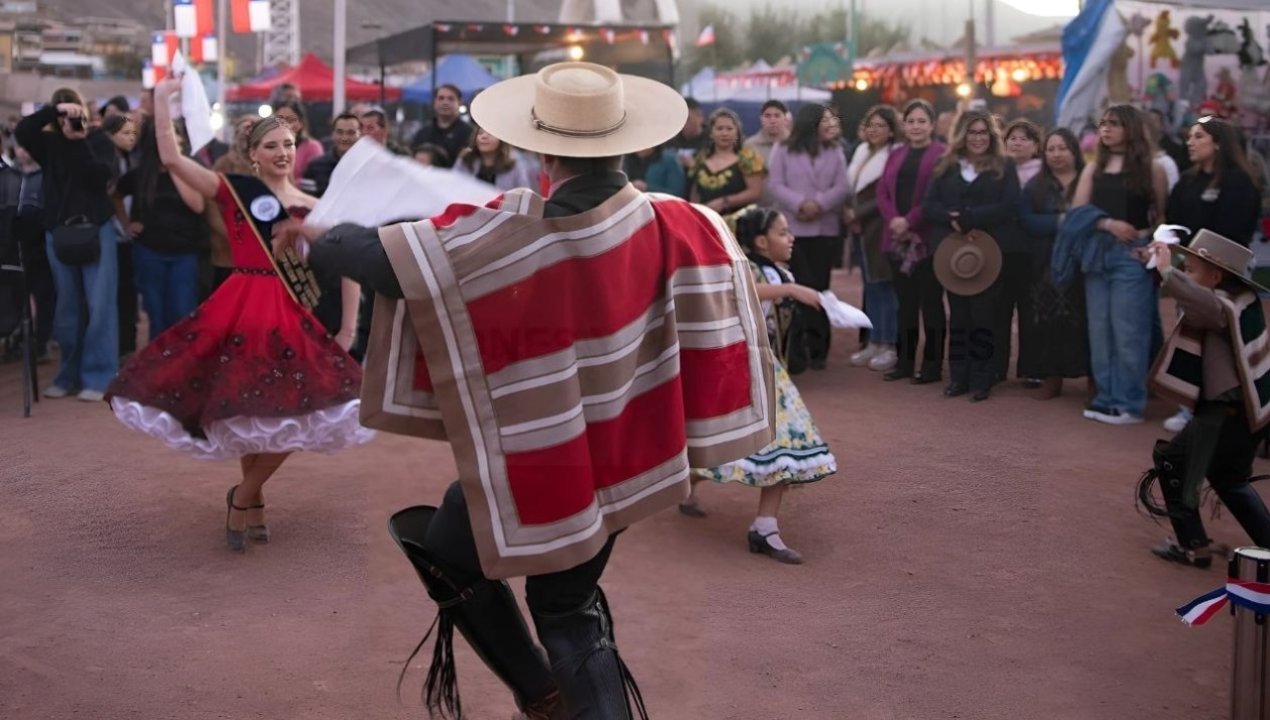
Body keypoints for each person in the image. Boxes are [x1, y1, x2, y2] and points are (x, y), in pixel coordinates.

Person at [284, 61, 774, 719]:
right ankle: (545, 694)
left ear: (539, 148)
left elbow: (385, 265)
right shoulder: (688, 223)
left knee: (538, 595)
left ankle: (544, 694)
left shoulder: (513, 233)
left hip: (544, 447)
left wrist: (319, 233)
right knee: (530, 580)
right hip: (633, 448)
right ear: (626, 142)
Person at [105, 76, 373, 554]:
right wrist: (164, 104)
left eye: (289, 143)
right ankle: (255, 501)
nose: (283, 152)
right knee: (250, 407)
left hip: (291, 318)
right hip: (240, 307)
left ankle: (244, 493)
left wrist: (350, 326)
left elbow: (348, 269)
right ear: (252, 154)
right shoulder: (234, 191)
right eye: (271, 145)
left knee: (296, 412)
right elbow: (170, 159)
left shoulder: (314, 205)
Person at [682, 207, 836, 564]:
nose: (791, 238)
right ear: (761, 241)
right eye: (783, 232)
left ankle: (758, 520)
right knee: (783, 441)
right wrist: (792, 289)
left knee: (771, 443)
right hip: (746, 368)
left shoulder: (776, 270)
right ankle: (760, 524)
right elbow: (748, 289)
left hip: (768, 370)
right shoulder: (746, 268)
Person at [1138, 230, 1270, 568]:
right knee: (1227, 479)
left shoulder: (1222, 305)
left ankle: (1192, 546)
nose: (1186, 275)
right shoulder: (1238, 300)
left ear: (1215, 275)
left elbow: (1201, 304)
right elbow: (1196, 299)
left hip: (1226, 411)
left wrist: (1167, 271)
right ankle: (1194, 544)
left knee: (1175, 464)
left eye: (1192, 269)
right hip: (1237, 410)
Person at [1158, 115, 1262, 434]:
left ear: (1218, 143)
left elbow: (1235, 230)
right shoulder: (1187, 181)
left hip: (1225, 278)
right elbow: (1172, 220)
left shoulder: (1240, 182)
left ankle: (1229, 405)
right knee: (1189, 338)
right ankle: (1188, 406)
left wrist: (1205, 261)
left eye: (1198, 136)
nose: (1190, 142)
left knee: (1222, 344)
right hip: (1189, 272)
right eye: (1189, 136)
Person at [16, 88, 120, 402]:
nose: (68, 120)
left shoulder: (98, 139)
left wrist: (81, 141)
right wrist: (52, 111)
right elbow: (23, 131)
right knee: (67, 306)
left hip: (96, 227)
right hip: (58, 231)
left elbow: (101, 176)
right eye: (63, 114)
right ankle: (68, 376)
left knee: (100, 305)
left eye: (73, 112)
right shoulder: (47, 143)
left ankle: (100, 376)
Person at [1071, 104, 1169, 425]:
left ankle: (1129, 403)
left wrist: (1150, 243)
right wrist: (1107, 225)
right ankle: (1105, 398)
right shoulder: (1093, 168)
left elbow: (1162, 215)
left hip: (1132, 254)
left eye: (1113, 123)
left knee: (1129, 331)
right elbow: (1078, 212)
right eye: (1102, 124)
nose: (1106, 129)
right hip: (1097, 253)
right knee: (1099, 330)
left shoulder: (1151, 168)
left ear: (1130, 127)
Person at [923, 109, 1020, 402]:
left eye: (982, 132)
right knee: (959, 316)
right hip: (954, 256)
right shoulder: (945, 165)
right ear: (962, 135)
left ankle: (982, 378)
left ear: (991, 136)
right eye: (972, 132)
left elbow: (1010, 205)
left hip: (990, 253)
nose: (977, 138)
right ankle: (958, 377)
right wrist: (951, 218)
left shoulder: (1004, 165)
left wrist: (973, 217)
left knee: (984, 316)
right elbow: (930, 205)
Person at [767, 103, 850, 370]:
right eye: (824, 120)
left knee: (821, 286)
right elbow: (776, 184)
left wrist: (820, 204)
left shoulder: (835, 151)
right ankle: (797, 348)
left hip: (825, 228)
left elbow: (842, 186)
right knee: (799, 286)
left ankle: (819, 348)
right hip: (793, 229)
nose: (829, 125)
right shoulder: (782, 149)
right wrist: (800, 203)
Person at [115, 116, 208, 339]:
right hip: (149, 251)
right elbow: (115, 195)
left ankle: (181, 366)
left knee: (182, 312)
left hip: (185, 253)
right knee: (156, 314)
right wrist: (127, 224)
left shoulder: (191, 169)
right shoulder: (140, 174)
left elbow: (197, 205)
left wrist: (175, 166)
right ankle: (158, 366)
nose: (169, 141)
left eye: (173, 135)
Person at [876, 99, 948, 385]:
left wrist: (910, 221)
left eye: (922, 121)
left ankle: (932, 366)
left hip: (927, 239)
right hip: (895, 240)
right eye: (911, 121)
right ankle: (904, 362)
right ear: (903, 125)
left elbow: (937, 195)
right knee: (904, 303)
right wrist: (895, 219)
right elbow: (882, 192)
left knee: (930, 303)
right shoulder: (895, 154)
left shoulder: (942, 155)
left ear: (931, 124)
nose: (916, 126)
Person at [1017, 128, 1090, 399]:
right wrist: (1061, 222)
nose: (1056, 155)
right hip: (1045, 264)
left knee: (1084, 322)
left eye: (1062, 148)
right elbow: (1025, 220)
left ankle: (1091, 379)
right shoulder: (1035, 186)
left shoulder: (1088, 180)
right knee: (1048, 323)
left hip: (1083, 262)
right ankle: (1052, 377)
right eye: (1051, 149)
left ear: (1074, 151)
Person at [846, 105, 901, 372]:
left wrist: (857, 213)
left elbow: (884, 194)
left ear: (891, 130)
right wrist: (850, 213)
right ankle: (873, 340)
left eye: (880, 125)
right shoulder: (862, 151)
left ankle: (888, 344)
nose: (874, 130)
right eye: (870, 125)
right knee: (870, 286)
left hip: (881, 227)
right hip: (860, 227)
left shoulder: (894, 155)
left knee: (884, 285)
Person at [999, 118, 1043, 385]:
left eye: (1023, 138)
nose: (1016, 143)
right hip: (1001, 251)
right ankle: (997, 367)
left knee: (1030, 312)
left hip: (1032, 252)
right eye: (1011, 138)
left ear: (1036, 145)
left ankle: (1032, 368)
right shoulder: (997, 171)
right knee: (998, 311)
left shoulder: (1042, 174)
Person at [101, 114, 140, 357]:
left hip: (126, 238)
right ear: (109, 135)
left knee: (128, 294)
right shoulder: (106, 162)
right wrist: (123, 225)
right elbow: (112, 197)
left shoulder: (130, 159)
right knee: (115, 294)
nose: (131, 138)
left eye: (133, 133)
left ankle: (127, 345)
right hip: (112, 235)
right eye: (125, 133)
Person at [687, 108, 765, 217]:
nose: (724, 133)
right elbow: (694, 192)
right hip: (706, 220)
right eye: (719, 129)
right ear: (711, 133)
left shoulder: (747, 158)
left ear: (737, 132)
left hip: (739, 223)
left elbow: (756, 192)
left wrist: (724, 202)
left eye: (729, 129)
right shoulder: (701, 157)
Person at [452, 125, 537, 191]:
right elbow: (453, 188)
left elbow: (523, 196)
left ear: (501, 139)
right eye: (480, 133)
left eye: (490, 133)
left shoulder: (515, 166)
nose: (484, 137)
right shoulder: (465, 160)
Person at [409, 84, 472, 169]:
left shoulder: (469, 134)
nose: (445, 102)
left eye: (450, 99)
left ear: (459, 102)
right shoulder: (422, 134)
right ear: (434, 102)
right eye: (441, 98)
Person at [302, 112, 361, 197]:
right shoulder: (315, 166)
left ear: (360, 135)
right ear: (332, 134)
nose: (344, 138)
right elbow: (306, 204)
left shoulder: (369, 166)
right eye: (340, 132)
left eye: (351, 133)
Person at [745, 100, 789, 206]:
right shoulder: (750, 146)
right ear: (761, 119)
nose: (772, 120)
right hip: (760, 209)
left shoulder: (796, 144)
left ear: (785, 119)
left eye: (777, 115)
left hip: (790, 209)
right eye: (767, 116)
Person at [271, 100, 324, 183]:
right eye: (279, 120)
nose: (284, 125)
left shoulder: (312, 147)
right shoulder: (268, 146)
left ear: (301, 123)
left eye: (290, 120)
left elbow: (315, 181)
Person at [622, 144, 686, 197]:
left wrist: (647, 188)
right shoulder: (626, 159)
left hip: (658, 206)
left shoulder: (669, 160)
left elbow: (676, 192)